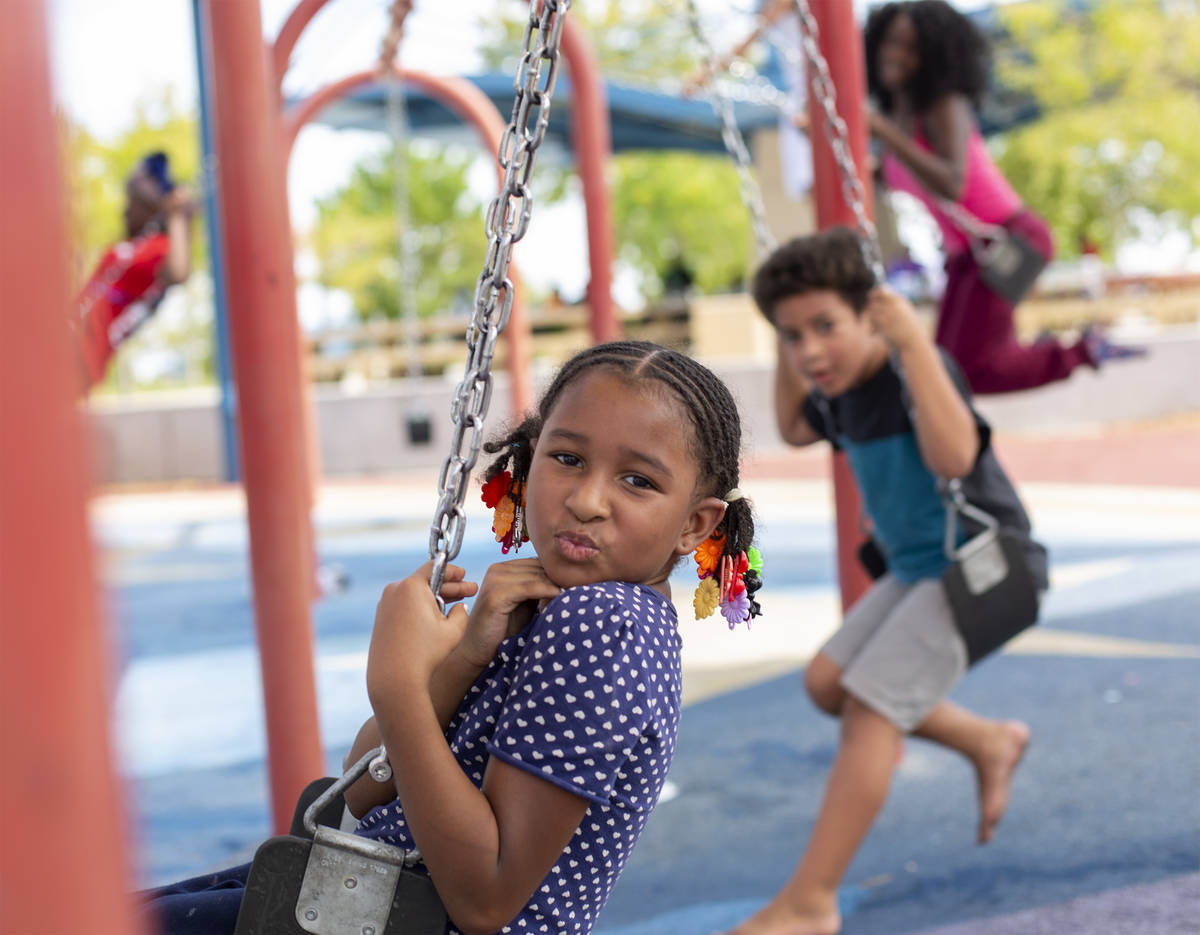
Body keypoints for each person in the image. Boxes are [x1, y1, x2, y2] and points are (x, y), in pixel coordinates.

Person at [140, 341, 761, 935]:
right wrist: (463, 659)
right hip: (362, 895)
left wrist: (398, 684)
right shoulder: (555, 606)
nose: (587, 500)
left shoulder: (603, 625)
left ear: (694, 524)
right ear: (528, 455)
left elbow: (486, 899)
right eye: (567, 458)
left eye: (638, 482)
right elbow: (356, 795)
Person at [723, 227, 1045, 935]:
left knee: (870, 707)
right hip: (914, 571)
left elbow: (956, 457)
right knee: (827, 683)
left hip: (979, 568)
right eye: (791, 334)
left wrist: (915, 344)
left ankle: (811, 900)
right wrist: (790, 349)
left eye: (825, 327)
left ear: (874, 314)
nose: (810, 350)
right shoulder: (833, 391)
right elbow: (790, 425)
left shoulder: (912, 371)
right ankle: (988, 740)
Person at [864, 0, 1141, 395]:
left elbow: (953, 184)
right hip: (969, 254)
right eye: (890, 42)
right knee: (941, 368)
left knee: (967, 371)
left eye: (912, 47)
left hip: (1011, 239)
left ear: (935, 56)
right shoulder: (896, 117)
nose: (896, 54)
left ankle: (1082, 350)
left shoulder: (945, 105)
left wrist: (884, 133)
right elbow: (902, 179)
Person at [74, 150, 194, 391]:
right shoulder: (126, 248)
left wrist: (176, 215)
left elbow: (179, 272)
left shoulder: (160, 249)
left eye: (132, 203)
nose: (125, 211)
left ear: (152, 208)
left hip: (82, 358)